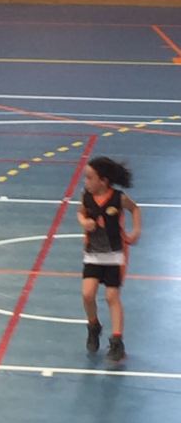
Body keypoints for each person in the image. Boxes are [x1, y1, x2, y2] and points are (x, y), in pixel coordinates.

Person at [77, 155, 141, 362]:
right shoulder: (86, 196)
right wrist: (84, 222)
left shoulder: (118, 198)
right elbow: (80, 213)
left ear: (103, 181)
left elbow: (135, 209)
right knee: (87, 294)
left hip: (115, 255)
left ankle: (117, 341)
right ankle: (93, 325)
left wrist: (136, 231)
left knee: (112, 297)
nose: (86, 181)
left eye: (89, 177)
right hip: (93, 254)